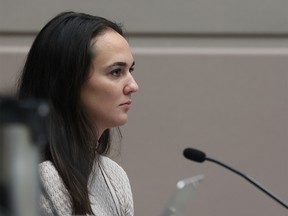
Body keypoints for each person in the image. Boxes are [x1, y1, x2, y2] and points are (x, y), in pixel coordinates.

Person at [17, 11, 139, 216]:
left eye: (130, 70)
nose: (133, 86)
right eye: (116, 72)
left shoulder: (114, 176)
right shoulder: (42, 180)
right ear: (68, 82)